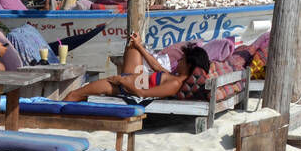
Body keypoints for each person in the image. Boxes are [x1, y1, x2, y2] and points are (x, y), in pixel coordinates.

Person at [65, 34, 207, 101]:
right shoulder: (174, 77)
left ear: (188, 65)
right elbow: (156, 66)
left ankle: (50, 115)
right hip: (132, 76)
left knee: (75, 94)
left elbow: (142, 94)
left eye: (182, 60)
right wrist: (139, 45)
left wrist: (122, 82)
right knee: (132, 44)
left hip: (122, 86)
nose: (179, 61)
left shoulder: (174, 84)